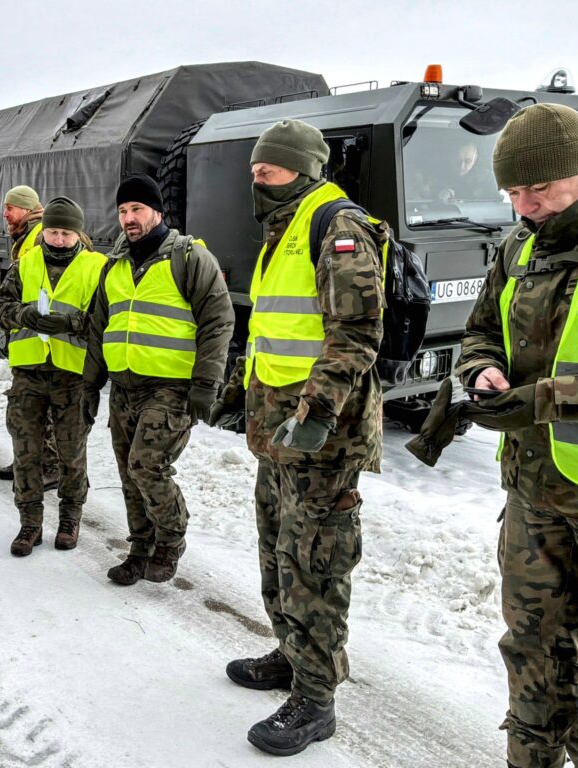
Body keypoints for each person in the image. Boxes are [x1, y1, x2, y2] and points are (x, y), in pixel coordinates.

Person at [217, 120, 386, 757]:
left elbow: (356, 333)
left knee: (314, 561)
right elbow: (274, 329)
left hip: (322, 436)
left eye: (270, 169)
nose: (257, 178)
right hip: (278, 430)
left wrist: (317, 409)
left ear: (305, 169)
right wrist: (240, 389)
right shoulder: (283, 227)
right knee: (278, 550)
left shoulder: (337, 227)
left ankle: (316, 698)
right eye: (255, 169)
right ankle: (291, 654)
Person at [454, 103, 578, 768]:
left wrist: (544, 399)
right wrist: (481, 369)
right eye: (512, 192)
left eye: (537, 188)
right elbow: (480, 330)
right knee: (532, 651)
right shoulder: (519, 245)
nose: (523, 205)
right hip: (531, 491)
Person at [82, 174, 233, 584]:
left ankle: (169, 541)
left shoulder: (189, 258)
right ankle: (139, 548)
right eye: (122, 211)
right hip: (124, 386)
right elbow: (99, 327)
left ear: (158, 212)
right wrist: (90, 385)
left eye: (137, 209)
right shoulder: (113, 265)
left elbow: (218, 321)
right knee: (128, 473)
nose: (128, 218)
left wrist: (206, 383)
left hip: (169, 387)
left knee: (146, 465)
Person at [0, 197, 106, 555]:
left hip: (73, 376)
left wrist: (72, 323)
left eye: (66, 233)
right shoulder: (25, 263)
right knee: (26, 451)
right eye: (52, 232)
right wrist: (22, 315)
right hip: (29, 374)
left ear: (78, 234)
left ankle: (70, 518)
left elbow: (107, 319)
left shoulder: (97, 267)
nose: (58, 239)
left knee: (72, 452)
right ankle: (30, 523)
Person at [0, 184, 58, 489]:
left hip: (46, 339)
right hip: (30, 336)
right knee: (25, 410)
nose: (5, 214)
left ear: (28, 208)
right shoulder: (24, 237)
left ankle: (49, 466)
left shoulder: (40, 236)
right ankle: (27, 461)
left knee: (43, 411)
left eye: (10, 207)